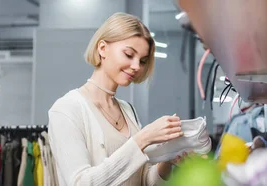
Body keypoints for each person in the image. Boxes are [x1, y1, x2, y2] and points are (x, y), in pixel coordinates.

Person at [47, 12, 185, 186]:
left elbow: (143, 180)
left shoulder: (128, 111)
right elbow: (80, 183)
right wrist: (142, 139)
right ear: (102, 48)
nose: (136, 66)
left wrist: (167, 158)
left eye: (142, 61)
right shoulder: (66, 109)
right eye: (129, 54)